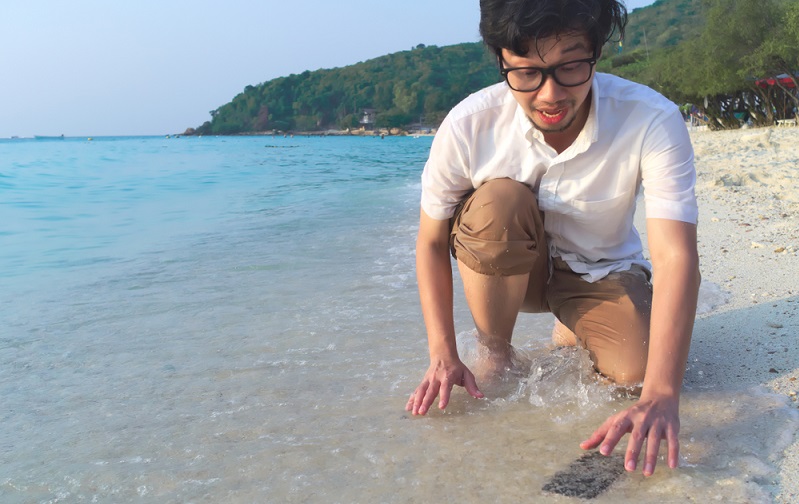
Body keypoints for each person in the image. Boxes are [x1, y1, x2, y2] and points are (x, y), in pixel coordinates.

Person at [405, 0, 700, 478]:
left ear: (596, 51)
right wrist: (443, 355)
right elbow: (432, 242)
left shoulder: (650, 118)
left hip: (600, 270)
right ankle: (496, 350)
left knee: (635, 374)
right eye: (526, 73)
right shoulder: (468, 124)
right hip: (509, 269)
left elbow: (675, 256)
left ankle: (573, 327)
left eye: (570, 66)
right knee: (499, 201)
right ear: (502, 59)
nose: (550, 93)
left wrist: (661, 395)